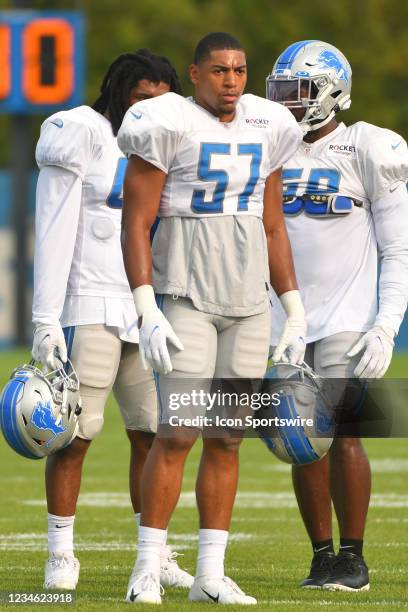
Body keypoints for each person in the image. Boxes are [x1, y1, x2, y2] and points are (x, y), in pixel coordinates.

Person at [118, 31, 306, 605]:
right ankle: (148, 566)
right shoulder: (166, 120)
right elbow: (137, 220)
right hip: (187, 296)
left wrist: (293, 308)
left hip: (249, 304)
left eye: (241, 71)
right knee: (177, 433)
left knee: (226, 439)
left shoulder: (269, 124)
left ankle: (209, 574)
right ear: (195, 73)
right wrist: (146, 305)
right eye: (220, 71)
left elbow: (273, 224)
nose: (231, 81)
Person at [32, 49, 193, 592]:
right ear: (118, 92)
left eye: (161, 100)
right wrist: (45, 319)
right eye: (141, 98)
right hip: (90, 300)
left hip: (147, 309)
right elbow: (53, 229)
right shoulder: (82, 131)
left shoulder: (171, 143)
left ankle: (157, 550)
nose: (151, 109)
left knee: (153, 435)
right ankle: (60, 552)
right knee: (75, 436)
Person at [266, 40, 408, 591]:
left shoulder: (368, 147)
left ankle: (354, 556)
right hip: (286, 318)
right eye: (280, 91)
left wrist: (386, 324)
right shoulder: (270, 147)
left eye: (298, 91)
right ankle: (321, 555)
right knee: (302, 438)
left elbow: (398, 250)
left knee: (346, 435)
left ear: (331, 91)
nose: (287, 103)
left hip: (348, 313)